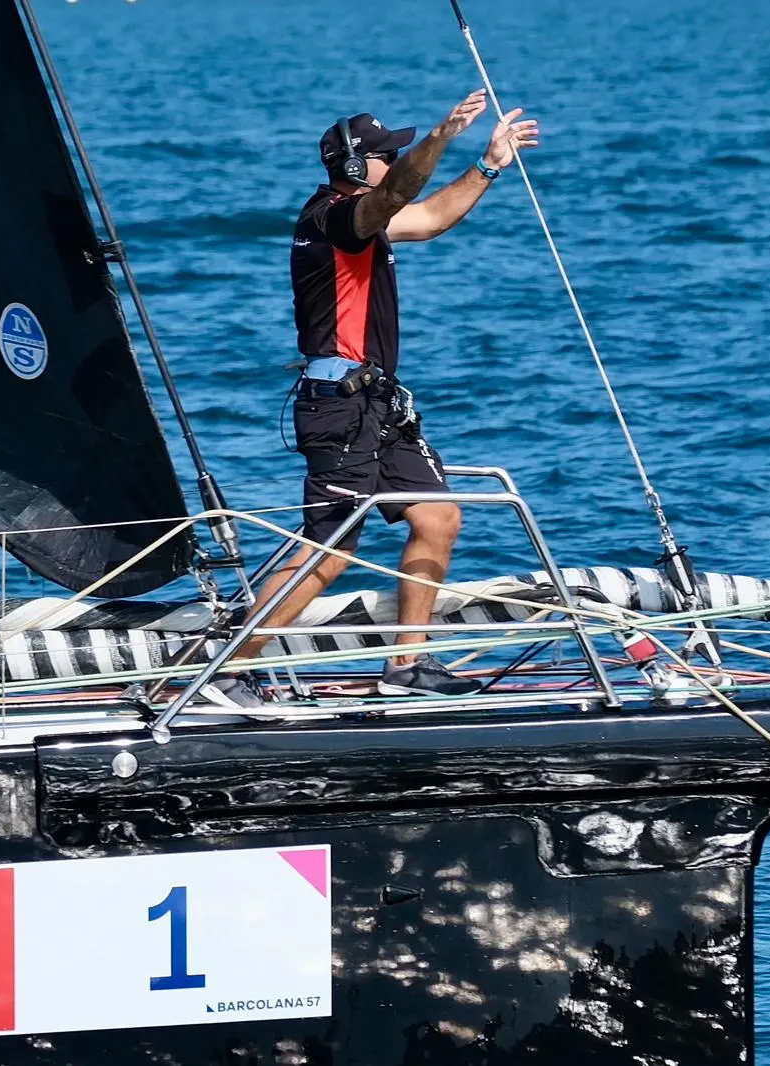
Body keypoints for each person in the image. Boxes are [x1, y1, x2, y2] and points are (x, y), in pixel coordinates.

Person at [203, 90, 538, 707]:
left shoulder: (369, 221)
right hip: (338, 407)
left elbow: (431, 218)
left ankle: (405, 665)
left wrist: (489, 164)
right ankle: (226, 672)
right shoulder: (335, 216)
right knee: (330, 550)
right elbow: (396, 197)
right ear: (358, 167)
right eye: (388, 155)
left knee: (438, 517)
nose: (395, 161)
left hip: (378, 405)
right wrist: (441, 136)